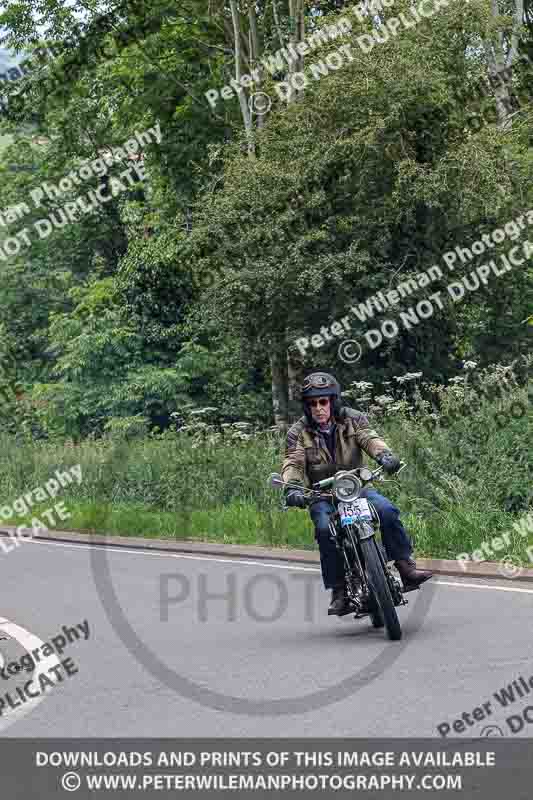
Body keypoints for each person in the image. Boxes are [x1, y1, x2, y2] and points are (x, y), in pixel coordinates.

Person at [281, 371, 432, 616]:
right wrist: (293, 487)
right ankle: (339, 590)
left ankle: (405, 566)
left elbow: (370, 438)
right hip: (323, 496)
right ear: (307, 407)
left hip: (358, 488)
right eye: (313, 404)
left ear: (333, 400)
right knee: (323, 529)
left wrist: (385, 456)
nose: (319, 408)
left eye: (323, 402)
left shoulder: (353, 418)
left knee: (387, 510)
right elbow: (293, 463)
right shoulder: (298, 432)